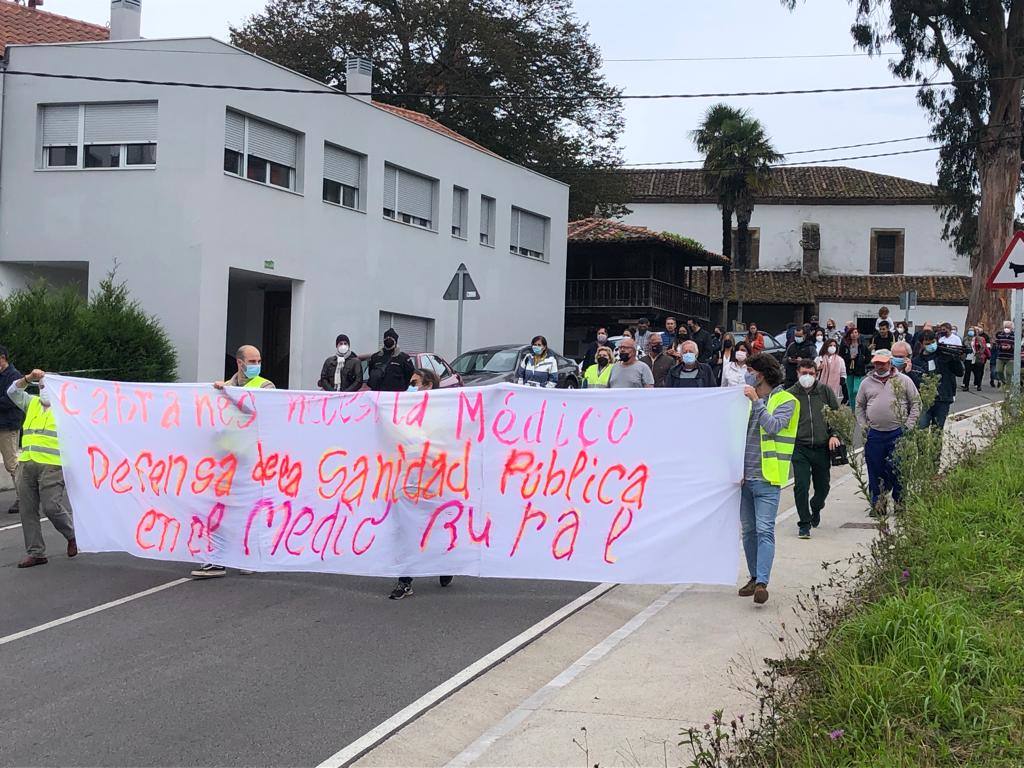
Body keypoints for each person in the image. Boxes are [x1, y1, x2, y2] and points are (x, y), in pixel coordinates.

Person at [193, 346, 275, 579]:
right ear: (239, 363)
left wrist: (227, 393)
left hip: (251, 458)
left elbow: (259, 410)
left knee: (249, 508)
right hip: (225, 455)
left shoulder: (264, 386)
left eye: (258, 360)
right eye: (251, 360)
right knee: (218, 506)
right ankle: (216, 559)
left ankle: (248, 556)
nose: (256, 364)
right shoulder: (223, 387)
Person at [738, 353, 799, 605]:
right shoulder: (744, 399)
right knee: (749, 532)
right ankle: (754, 577)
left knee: (764, 530)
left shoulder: (787, 401)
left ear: (760, 375)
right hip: (743, 477)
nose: (747, 376)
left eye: (750, 371)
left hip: (768, 477)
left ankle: (762, 581)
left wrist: (756, 402)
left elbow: (774, 426)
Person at [389, 368, 453, 600]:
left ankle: (446, 564)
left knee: (433, 523)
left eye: (414, 383)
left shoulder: (442, 411)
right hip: (408, 477)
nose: (410, 387)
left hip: (433, 476)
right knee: (406, 527)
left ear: (428, 385)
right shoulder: (405, 409)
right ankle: (405, 580)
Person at [6, 369, 77, 568]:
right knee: (27, 510)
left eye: (48, 386)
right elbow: (12, 391)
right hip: (27, 462)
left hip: (53, 465)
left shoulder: (66, 409)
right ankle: (36, 552)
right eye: (42, 385)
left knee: (51, 507)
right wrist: (28, 378)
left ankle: (72, 535)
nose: (44, 389)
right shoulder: (32, 403)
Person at [856, 349, 920, 511]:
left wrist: (909, 425)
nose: (880, 366)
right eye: (877, 362)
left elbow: (916, 404)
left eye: (883, 363)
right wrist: (864, 426)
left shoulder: (903, 380)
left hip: (898, 431)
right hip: (875, 434)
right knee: (874, 469)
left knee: (897, 467)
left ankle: (899, 500)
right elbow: (859, 406)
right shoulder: (866, 382)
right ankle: (878, 502)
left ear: (890, 362)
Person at [789, 359, 841, 539]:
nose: (808, 377)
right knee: (801, 486)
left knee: (823, 487)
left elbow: (836, 415)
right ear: (797, 373)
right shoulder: (790, 394)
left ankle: (816, 507)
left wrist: (835, 434)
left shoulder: (824, 391)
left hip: (821, 447)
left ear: (816, 374)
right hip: (800, 447)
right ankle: (804, 523)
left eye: (811, 373)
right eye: (804, 373)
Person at [911, 329, 964, 430]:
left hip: (942, 399)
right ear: (921, 344)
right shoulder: (917, 361)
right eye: (927, 343)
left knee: (938, 431)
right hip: (924, 401)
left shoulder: (945, 356)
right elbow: (915, 381)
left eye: (933, 342)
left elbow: (959, 372)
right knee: (921, 429)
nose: (931, 345)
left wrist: (955, 359)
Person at [0, 346, 24, 515]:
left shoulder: (14, 376)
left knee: (12, 464)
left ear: (3, 358)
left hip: (7, 425)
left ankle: (23, 497)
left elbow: (10, 400)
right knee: (12, 463)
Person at [840, 327, 869, 408]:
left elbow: (868, 357)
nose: (854, 335)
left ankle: (859, 407)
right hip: (849, 370)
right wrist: (849, 357)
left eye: (856, 332)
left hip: (858, 370)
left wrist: (863, 360)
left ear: (858, 334)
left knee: (856, 390)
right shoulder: (845, 345)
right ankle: (853, 410)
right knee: (850, 392)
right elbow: (841, 357)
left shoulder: (862, 345)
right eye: (852, 333)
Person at [962, 327, 989, 392]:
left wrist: (978, 353)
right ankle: (966, 386)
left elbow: (983, 347)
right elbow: (963, 347)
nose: (970, 332)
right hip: (968, 357)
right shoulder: (965, 339)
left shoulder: (980, 339)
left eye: (972, 331)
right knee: (967, 372)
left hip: (977, 358)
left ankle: (978, 385)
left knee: (978, 372)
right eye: (969, 330)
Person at [994, 320, 1015, 387]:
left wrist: (1010, 347)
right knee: (998, 371)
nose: (1007, 328)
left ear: (1011, 328)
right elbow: (996, 344)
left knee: (1009, 372)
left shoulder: (1014, 335)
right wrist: (1001, 347)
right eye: (1006, 327)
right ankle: (1004, 381)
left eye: (1009, 327)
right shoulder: (1000, 334)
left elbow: (1017, 346)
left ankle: (1008, 386)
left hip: (1010, 357)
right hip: (1000, 356)